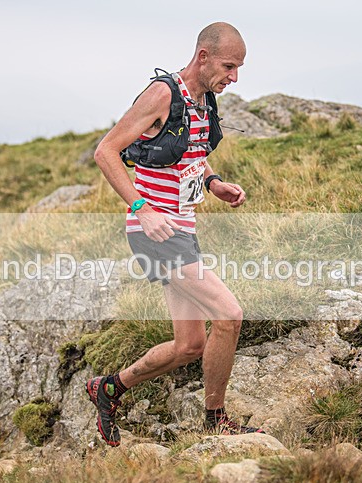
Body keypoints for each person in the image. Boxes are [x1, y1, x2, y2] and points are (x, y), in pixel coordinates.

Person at [86, 22, 262, 447]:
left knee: (189, 345)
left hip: (182, 228)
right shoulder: (162, 94)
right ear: (203, 56)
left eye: (239, 68)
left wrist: (214, 182)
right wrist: (142, 209)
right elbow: (106, 151)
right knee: (229, 315)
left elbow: (190, 154)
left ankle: (109, 388)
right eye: (229, 66)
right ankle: (215, 419)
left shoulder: (203, 100)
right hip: (155, 232)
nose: (235, 77)